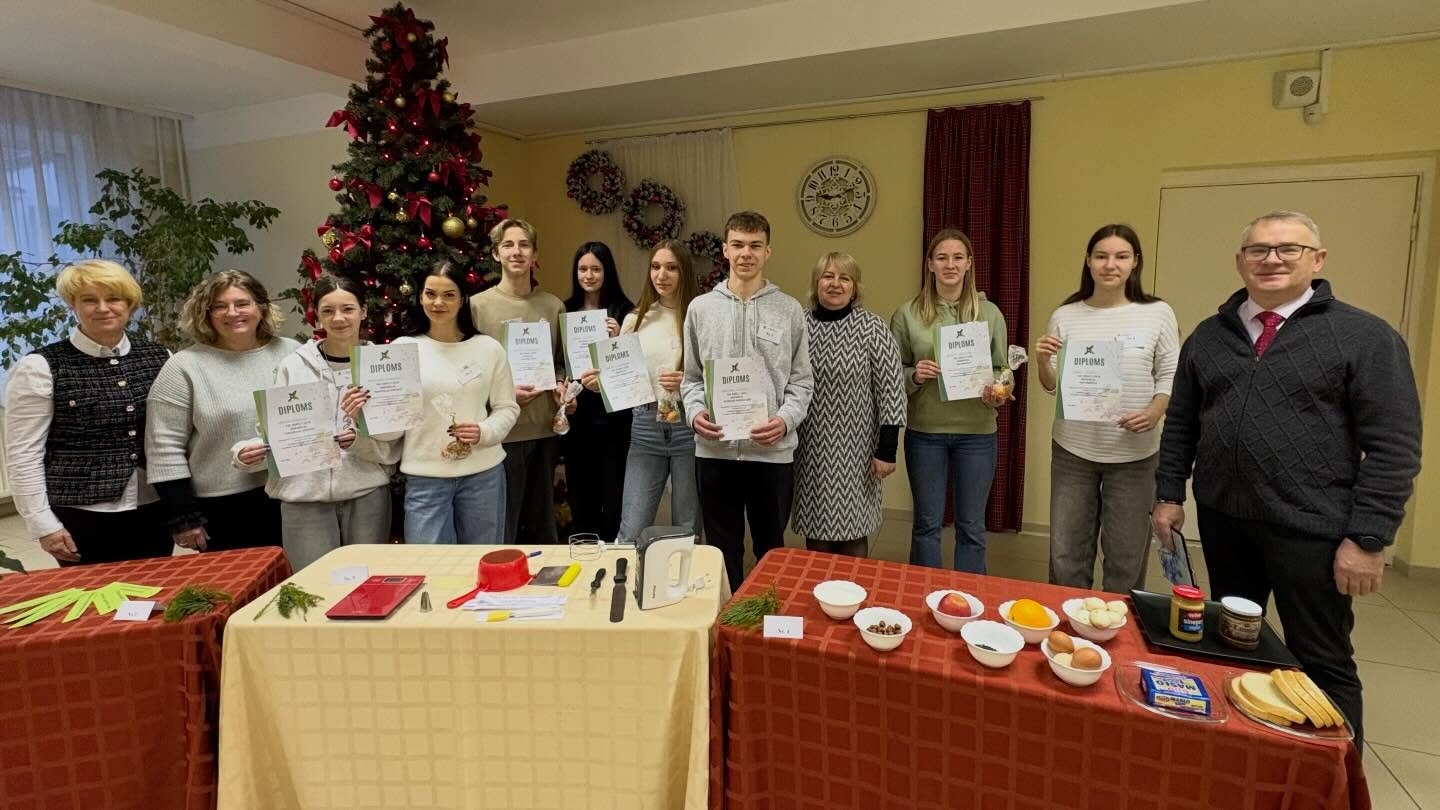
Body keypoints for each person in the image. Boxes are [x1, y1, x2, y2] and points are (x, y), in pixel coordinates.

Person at [1152, 211, 1421, 750]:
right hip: (1226, 522)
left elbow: (1395, 446)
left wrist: (1368, 538)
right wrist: (1168, 493)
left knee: (1321, 660)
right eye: (1258, 249)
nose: (1271, 259)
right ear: (1240, 262)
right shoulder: (1210, 337)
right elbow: (1182, 421)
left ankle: (1333, 779)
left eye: (1288, 249)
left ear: (1317, 260)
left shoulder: (1364, 337)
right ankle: (1250, 757)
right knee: (1236, 647)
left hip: (1312, 530)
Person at [1035, 225, 1179, 592]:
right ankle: (1067, 634)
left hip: (1134, 455)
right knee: (1066, 554)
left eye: (1121, 256)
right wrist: (1042, 361)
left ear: (1135, 262)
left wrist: (1155, 409)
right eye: (1101, 256)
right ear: (1088, 261)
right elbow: (1052, 386)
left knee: (1126, 557)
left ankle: (1118, 635)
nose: (1110, 265)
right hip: (1073, 451)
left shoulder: (1157, 313)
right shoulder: (1066, 314)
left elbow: (1170, 372)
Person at [4, 260, 172, 565]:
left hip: (154, 505)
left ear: (130, 305)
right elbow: (23, 454)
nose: (103, 308)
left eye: (114, 298)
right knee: (98, 604)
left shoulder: (160, 356)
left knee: (156, 597)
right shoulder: (41, 366)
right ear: (73, 305)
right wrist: (43, 524)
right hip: (81, 514)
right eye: (90, 300)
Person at [233, 274, 401, 570]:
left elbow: (395, 437)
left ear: (363, 311)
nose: (338, 318)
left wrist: (360, 436)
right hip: (303, 497)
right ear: (317, 316)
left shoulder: (382, 364)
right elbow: (275, 431)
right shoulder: (292, 366)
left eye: (348, 309)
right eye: (328, 311)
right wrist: (248, 454)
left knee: (369, 582)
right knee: (312, 586)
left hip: (366, 493)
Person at [683, 211, 813, 587]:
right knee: (721, 549)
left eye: (755, 245)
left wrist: (785, 420)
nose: (746, 253)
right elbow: (691, 379)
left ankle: (764, 625)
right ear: (725, 250)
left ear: (768, 251)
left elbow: (802, 382)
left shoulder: (788, 310)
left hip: (771, 452)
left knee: (771, 548)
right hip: (715, 449)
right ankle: (727, 625)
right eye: (738, 244)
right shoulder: (701, 309)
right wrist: (694, 414)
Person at [146, 270, 297, 551]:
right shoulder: (184, 366)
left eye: (242, 303)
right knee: (245, 591)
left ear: (261, 308)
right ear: (205, 314)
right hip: (224, 505)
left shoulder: (292, 352)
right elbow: (163, 446)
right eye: (219, 306)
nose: (232, 313)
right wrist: (184, 516)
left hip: (293, 494)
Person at [890, 228, 1010, 573]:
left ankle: (968, 607)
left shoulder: (990, 314)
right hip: (925, 432)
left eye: (958, 257)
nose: (950, 264)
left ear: (969, 264)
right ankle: (923, 599)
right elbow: (890, 373)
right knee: (926, 526)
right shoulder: (907, 314)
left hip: (977, 433)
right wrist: (914, 374)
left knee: (972, 528)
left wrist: (998, 390)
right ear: (929, 264)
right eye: (942, 257)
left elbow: (1004, 369)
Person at [387, 262, 519, 544]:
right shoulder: (401, 350)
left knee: (483, 562)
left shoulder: (488, 349)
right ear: (420, 296)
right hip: (425, 478)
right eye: (430, 293)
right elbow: (390, 423)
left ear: (463, 299)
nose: (438, 302)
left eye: (449, 294)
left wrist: (484, 432)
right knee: (429, 567)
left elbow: (507, 407)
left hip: (483, 476)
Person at [790, 252, 906, 558]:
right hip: (808, 449)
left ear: (855, 287)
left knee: (852, 531)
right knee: (817, 530)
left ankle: (852, 596)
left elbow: (891, 391)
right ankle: (822, 599)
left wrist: (887, 450)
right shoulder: (798, 326)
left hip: (856, 452)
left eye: (845, 278)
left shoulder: (873, 328)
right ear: (816, 284)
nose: (835, 284)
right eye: (828, 276)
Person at [471, 218, 567, 544]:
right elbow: (469, 369)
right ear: (496, 253)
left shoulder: (552, 306)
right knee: (504, 527)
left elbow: (560, 364)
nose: (516, 252)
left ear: (534, 253)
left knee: (544, 527)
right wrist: (503, 393)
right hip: (501, 433)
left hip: (543, 430)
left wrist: (560, 384)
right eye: (508, 245)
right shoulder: (476, 306)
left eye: (524, 245)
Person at [600, 239, 700, 542]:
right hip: (645, 427)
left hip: (689, 427)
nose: (662, 275)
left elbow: (717, 374)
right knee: (632, 527)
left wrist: (688, 380)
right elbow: (622, 379)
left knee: (688, 527)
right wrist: (605, 364)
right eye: (655, 267)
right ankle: (626, 587)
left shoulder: (699, 315)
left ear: (684, 271)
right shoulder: (636, 318)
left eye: (671, 268)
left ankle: (690, 588)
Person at [562, 241, 633, 541]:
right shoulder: (564, 311)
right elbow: (557, 362)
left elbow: (631, 371)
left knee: (613, 488)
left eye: (596, 269)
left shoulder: (625, 312)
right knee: (580, 488)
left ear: (608, 272)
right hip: (578, 415)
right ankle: (585, 545)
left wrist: (618, 339)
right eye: (583, 269)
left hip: (614, 416)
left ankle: (612, 547)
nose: (589, 275)